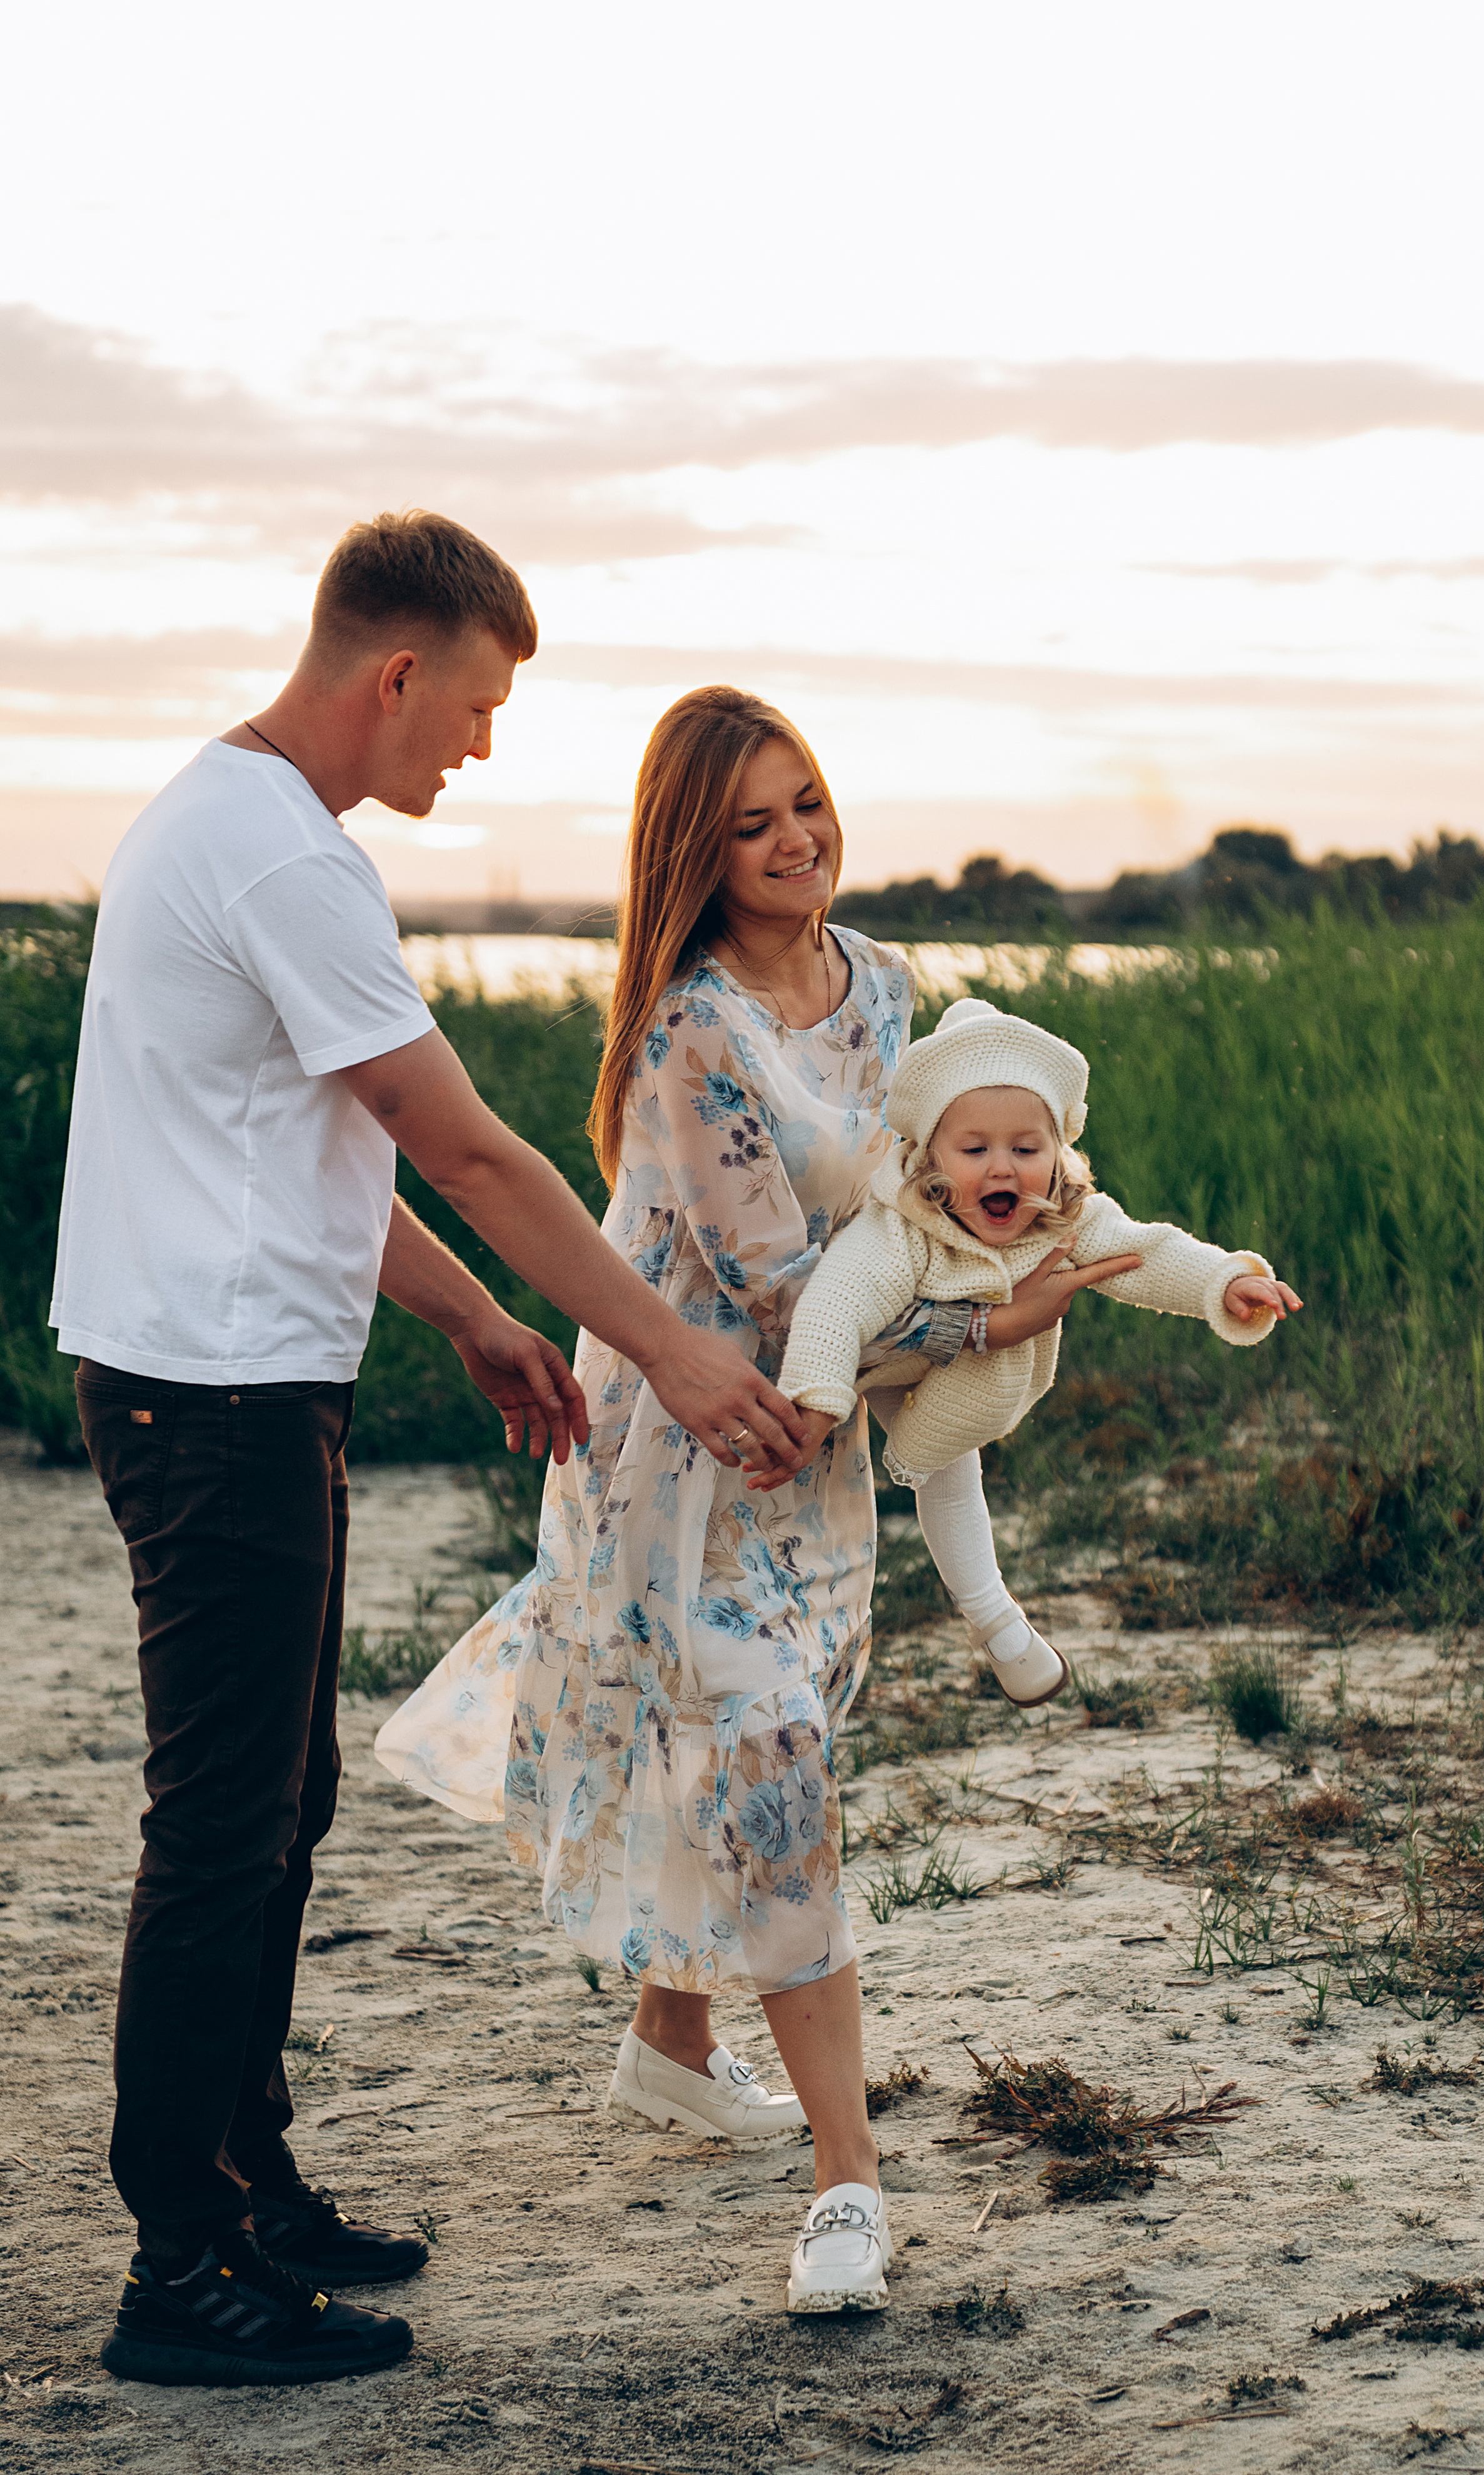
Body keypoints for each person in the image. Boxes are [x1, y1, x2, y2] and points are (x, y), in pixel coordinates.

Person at [51, 516, 806, 2390]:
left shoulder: (231, 828)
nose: (475, 747)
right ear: (393, 673)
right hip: (206, 1395)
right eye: (471, 707)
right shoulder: (281, 857)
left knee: (276, 1800)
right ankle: (180, 2267)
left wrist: (471, 1317)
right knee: (222, 1824)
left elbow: (308, 1135)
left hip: (228, 1379)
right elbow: (460, 1138)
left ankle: (249, 2182)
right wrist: (676, 1352)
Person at [375, 687, 1092, 2316]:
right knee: (768, 1755)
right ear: (697, 847)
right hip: (685, 1447)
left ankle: (673, 2043)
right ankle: (853, 2178)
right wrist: (995, 1322)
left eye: (809, 802)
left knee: (754, 1736)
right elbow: (782, 1286)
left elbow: (912, 1206)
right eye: (753, 820)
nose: (795, 841)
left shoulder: (891, 987)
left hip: (814, 1444)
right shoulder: (694, 1031)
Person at [766, 996, 1301, 1700]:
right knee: (937, 1467)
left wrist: (1224, 1280)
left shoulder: (1064, 1220)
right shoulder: (901, 1225)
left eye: (1025, 1149)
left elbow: (1147, 1252)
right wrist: (815, 1397)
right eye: (974, 1149)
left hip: (962, 1375)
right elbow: (838, 1301)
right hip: (881, 1357)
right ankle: (990, 1616)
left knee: (953, 1462)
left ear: (1058, 1157)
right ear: (929, 1155)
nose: (1002, 1170)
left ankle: (997, 1630)